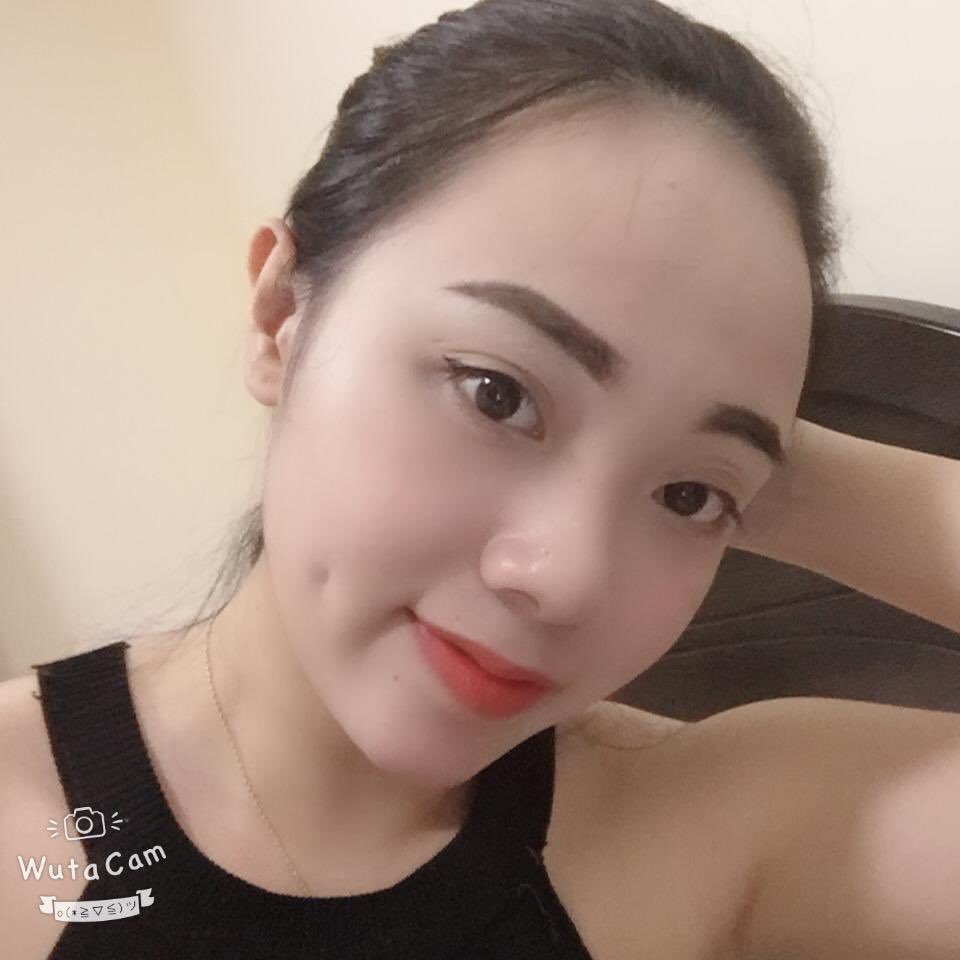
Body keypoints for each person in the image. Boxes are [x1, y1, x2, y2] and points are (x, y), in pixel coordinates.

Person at [1, 0, 958, 956]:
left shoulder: (698, 831)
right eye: (497, 395)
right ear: (282, 315)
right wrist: (702, 448)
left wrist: (758, 462)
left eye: (687, 499)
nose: (569, 578)